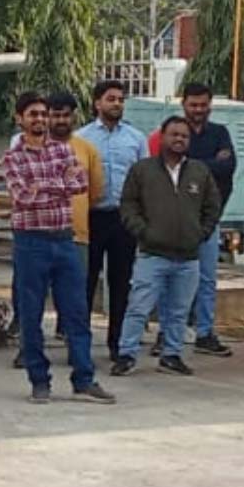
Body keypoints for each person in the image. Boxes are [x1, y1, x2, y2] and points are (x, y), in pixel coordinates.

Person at [1, 91, 115, 405]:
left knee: (77, 312)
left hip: (65, 239)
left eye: (43, 114)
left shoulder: (63, 150)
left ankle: (84, 380)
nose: (40, 119)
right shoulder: (13, 157)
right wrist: (59, 186)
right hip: (30, 242)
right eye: (33, 114)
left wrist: (43, 187)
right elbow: (23, 196)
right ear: (20, 119)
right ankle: (39, 381)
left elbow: (80, 185)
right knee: (31, 314)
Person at [111, 116, 222, 378]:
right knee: (139, 307)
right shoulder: (142, 170)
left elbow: (212, 206)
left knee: (179, 311)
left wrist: (200, 234)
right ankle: (127, 354)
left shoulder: (200, 172)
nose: (179, 139)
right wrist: (143, 232)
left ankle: (171, 355)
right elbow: (128, 204)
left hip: (188, 256)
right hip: (152, 254)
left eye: (184, 136)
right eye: (174, 134)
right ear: (162, 137)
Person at [147, 83, 237, 358]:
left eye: (203, 104)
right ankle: (166, 334)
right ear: (183, 104)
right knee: (170, 279)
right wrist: (209, 163)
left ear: (210, 105)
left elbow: (228, 167)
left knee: (207, 279)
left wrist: (193, 164)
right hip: (175, 222)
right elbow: (170, 167)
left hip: (208, 221)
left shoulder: (220, 133)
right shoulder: (174, 132)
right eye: (193, 104)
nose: (199, 110)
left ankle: (205, 333)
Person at [77, 80, 147, 362]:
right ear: (97, 103)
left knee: (121, 282)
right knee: (85, 281)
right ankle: (80, 344)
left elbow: (144, 179)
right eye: (111, 99)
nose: (117, 103)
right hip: (91, 217)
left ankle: (118, 343)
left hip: (123, 218)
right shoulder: (81, 138)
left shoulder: (136, 138)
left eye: (120, 99)